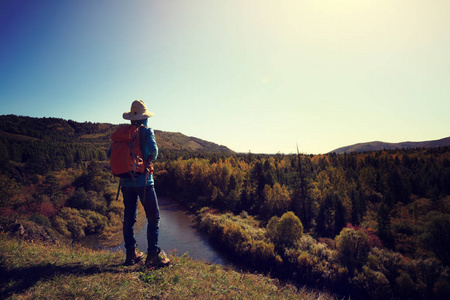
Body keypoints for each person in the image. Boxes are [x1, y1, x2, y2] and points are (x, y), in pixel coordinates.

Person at [117, 99, 170, 267]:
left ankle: (131, 253)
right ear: (144, 117)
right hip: (144, 182)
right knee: (153, 217)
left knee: (129, 217)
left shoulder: (123, 133)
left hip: (126, 182)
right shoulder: (147, 131)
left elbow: (112, 154)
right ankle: (153, 254)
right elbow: (154, 153)